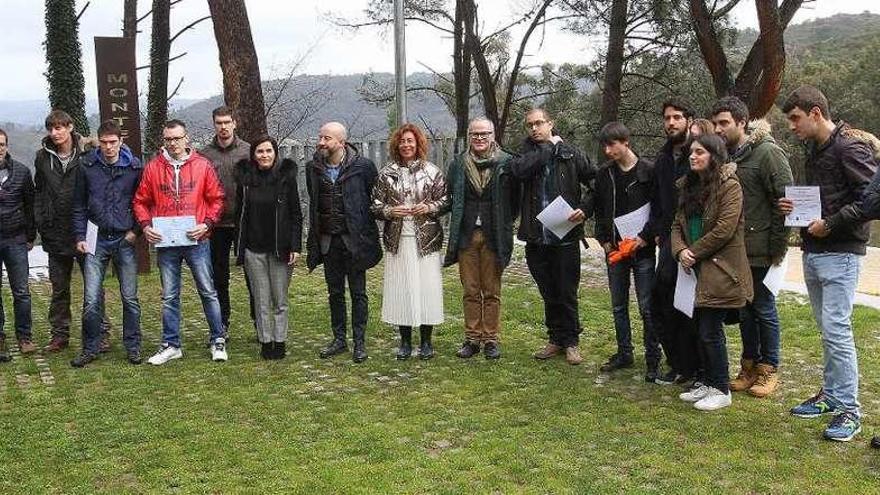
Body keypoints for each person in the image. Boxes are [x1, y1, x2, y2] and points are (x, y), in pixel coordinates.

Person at [779, 85, 877, 442]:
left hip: (842, 253)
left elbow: (872, 200)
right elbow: (824, 198)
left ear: (815, 113)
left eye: (795, 118)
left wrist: (831, 223)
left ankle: (850, 412)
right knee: (827, 329)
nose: (792, 126)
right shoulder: (814, 149)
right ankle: (832, 396)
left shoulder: (849, 146)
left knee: (837, 330)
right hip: (814, 251)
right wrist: (797, 210)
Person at [711, 96, 793, 398]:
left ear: (741, 123)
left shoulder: (767, 152)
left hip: (762, 247)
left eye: (724, 123)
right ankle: (748, 366)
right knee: (744, 309)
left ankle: (768, 369)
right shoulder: (727, 157)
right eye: (716, 123)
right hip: (736, 250)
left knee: (763, 308)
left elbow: (786, 202)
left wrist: (777, 249)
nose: (719, 129)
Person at [133, 119, 228, 365]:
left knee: (208, 291)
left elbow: (217, 198)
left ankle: (218, 339)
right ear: (163, 141)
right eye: (168, 139)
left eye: (177, 138)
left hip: (197, 239)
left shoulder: (202, 166)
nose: (173, 143)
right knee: (169, 295)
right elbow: (140, 201)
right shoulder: (153, 168)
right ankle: (171, 344)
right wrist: (146, 226)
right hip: (166, 242)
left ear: (187, 138)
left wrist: (207, 223)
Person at [672, 134, 753, 411]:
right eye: (691, 152)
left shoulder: (730, 186)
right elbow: (676, 226)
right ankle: (707, 381)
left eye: (700, 152)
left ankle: (721, 388)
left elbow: (724, 229)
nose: (693, 156)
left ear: (714, 156)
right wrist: (680, 250)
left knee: (709, 330)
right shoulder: (687, 187)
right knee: (698, 329)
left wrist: (693, 252)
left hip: (720, 269)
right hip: (693, 269)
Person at [510, 108, 595, 365]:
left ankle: (571, 342)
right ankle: (555, 339)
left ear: (551, 123)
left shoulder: (571, 154)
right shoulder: (525, 153)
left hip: (565, 236)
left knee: (566, 291)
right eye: (530, 125)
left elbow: (596, 181)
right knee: (548, 291)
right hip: (537, 238)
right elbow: (519, 171)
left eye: (539, 123)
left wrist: (586, 209)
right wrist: (547, 148)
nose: (534, 129)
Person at [34, 110, 110, 354]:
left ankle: (101, 333)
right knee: (59, 287)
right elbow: (39, 190)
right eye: (51, 128)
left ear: (70, 127)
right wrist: (41, 219)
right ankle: (59, 335)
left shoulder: (88, 153)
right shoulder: (42, 158)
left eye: (59, 127)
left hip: (84, 229)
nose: (55, 133)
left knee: (94, 285)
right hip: (54, 231)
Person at [305, 122, 382, 363]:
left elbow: (374, 200)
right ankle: (339, 339)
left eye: (326, 138)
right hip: (328, 241)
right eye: (320, 137)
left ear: (341, 142)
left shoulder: (363, 167)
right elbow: (315, 202)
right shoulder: (313, 168)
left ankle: (359, 343)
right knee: (334, 292)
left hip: (354, 241)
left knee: (358, 293)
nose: (321, 142)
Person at [371, 124, 449, 360]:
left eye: (410, 141)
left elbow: (445, 200)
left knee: (427, 290)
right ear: (396, 145)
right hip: (398, 240)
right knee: (402, 290)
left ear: (418, 144)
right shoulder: (386, 174)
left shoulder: (432, 171)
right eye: (402, 141)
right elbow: (374, 204)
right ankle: (405, 342)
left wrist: (429, 206)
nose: (406, 145)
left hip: (426, 240)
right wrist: (390, 211)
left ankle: (426, 342)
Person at [70, 120, 143, 367]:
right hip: (95, 238)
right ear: (98, 142)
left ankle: (133, 346)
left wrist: (136, 231)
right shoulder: (87, 166)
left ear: (121, 141)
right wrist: (80, 236)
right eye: (104, 143)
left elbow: (142, 202)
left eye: (113, 142)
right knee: (91, 298)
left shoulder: (134, 167)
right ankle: (90, 346)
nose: (109, 147)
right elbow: (79, 204)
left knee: (130, 297)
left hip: (124, 238)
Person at [443, 117, 517, 360]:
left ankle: (491, 339)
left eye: (484, 133)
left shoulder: (506, 163)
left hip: (494, 235)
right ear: (469, 137)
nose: (479, 138)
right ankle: (472, 338)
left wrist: (505, 221)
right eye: (475, 134)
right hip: (466, 235)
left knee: (492, 289)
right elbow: (449, 194)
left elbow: (514, 202)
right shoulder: (458, 164)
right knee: (471, 289)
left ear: (493, 135)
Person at [593, 122, 662, 381]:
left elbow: (658, 209)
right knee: (618, 306)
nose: (608, 151)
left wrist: (645, 238)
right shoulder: (604, 174)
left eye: (612, 145)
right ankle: (624, 352)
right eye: (605, 146)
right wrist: (603, 239)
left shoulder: (649, 171)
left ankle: (653, 358)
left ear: (626, 142)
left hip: (641, 249)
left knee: (647, 307)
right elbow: (600, 209)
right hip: (615, 250)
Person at [234, 136, 302, 360]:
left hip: (280, 248)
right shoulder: (245, 180)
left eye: (268, 151)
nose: (264, 155)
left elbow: (296, 214)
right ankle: (266, 341)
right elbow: (239, 215)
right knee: (261, 298)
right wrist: (240, 247)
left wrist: (295, 245)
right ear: (253, 155)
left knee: (279, 299)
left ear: (275, 153)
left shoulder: (286, 178)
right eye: (260, 151)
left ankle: (280, 340)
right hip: (254, 249)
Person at [650, 97, 699, 385]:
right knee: (663, 301)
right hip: (668, 242)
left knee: (692, 307)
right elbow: (658, 199)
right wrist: (657, 230)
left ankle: (698, 368)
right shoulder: (663, 158)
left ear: (689, 121)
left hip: (694, 241)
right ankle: (678, 364)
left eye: (677, 117)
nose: (671, 123)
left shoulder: (699, 153)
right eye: (667, 118)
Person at [200, 106, 252, 339]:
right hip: (216, 225)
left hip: (244, 222)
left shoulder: (248, 151)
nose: (223, 127)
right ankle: (222, 323)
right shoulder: (204, 155)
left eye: (226, 122)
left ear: (234, 123)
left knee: (253, 275)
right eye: (218, 123)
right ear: (214, 125)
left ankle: (259, 321)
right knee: (219, 277)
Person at [0, 128, 35, 362]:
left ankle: (24, 336)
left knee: (21, 292)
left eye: (1, 144)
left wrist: (31, 235)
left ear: (7, 146)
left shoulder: (21, 172)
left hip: (15, 239)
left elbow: (30, 205)